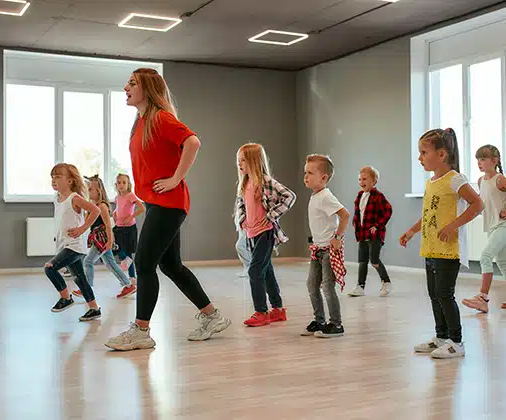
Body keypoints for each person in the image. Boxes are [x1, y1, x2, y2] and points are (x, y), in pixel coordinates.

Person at [105, 68, 231, 351]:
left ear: (148, 88)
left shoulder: (161, 118)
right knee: (170, 265)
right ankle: (212, 316)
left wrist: (175, 178)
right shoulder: (141, 121)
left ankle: (141, 330)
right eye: (127, 82)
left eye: (133, 83)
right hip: (156, 202)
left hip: (169, 202)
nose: (126, 87)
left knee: (145, 263)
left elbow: (193, 142)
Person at [400, 128, 483, 359]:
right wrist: (412, 231)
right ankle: (441, 336)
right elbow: (428, 214)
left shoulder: (455, 179)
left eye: (424, 152)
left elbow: (477, 205)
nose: (420, 158)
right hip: (431, 247)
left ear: (442, 154)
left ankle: (456, 342)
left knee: (445, 294)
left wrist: (453, 226)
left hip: (449, 250)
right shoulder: (431, 182)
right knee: (434, 294)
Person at [234, 143, 296, 327]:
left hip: (266, 233)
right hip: (252, 233)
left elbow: (289, 196)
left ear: (254, 161)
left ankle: (261, 312)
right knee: (266, 271)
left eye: (243, 160)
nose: (239, 164)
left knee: (254, 271)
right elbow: (241, 205)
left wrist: (271, 215)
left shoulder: (266, 182)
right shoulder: (244, 182)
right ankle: (278, 310)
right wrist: (242, 220)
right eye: (238, 161)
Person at [461, 145, 506, 313]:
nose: (479, 163)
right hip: (491, 227)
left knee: (485, 257)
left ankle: (482, 298)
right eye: (478, 159)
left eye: (483, 159)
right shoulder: (480, 181)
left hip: (504, 225)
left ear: (495, 161)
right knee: (503, 262)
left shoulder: (500, 179)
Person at [43, 163, 103, 322]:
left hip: (74, 246)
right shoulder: (57, 198)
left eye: (57, 177)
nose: (53, 180)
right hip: (65, 244)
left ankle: (66, 298)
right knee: (80, 278)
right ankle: (94, 309)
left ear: (70, 181)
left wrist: (83, 228)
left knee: (50, 268)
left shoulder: (74, 198)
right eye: (52, 177)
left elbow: (96, 210)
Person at [301, 154, 350, 338]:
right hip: (318, 250)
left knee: (328, 287)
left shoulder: (326, 197)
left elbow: (345, 215)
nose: (306, 176)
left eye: (310, 173)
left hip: (329, 250)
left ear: (324, 178)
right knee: (312, 285)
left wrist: (337, 237)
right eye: (305, 172)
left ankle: (336, 324)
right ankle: (319, 320)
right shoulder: (315, 196)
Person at [348, 166, 393, 297]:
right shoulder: (360, 195)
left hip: (374, 234)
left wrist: (377, 226)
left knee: (374, 260)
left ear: (374, 182)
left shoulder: (378, 196)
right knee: (362, 261)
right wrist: (355, 222)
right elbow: (359, 212)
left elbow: (388, 211)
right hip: (362, 234)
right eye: (360, 179)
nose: (361, 182)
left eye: (365, 179)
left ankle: (386, 282)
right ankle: (360, 286)